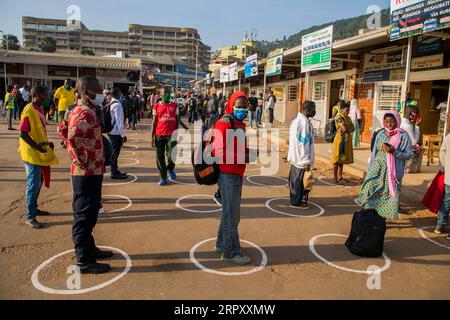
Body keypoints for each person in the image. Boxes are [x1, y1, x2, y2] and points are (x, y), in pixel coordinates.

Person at [66, 76, 112, 275]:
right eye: (97, 90)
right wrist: (83, 159)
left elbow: (62, 127)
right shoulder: (83, 113)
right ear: (85, 92)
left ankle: (90, 248)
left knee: (91, 211)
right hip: (85, 172)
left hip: (93, 170)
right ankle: (84, 260)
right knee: (83, 215)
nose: (101, 93)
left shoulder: (89, 110)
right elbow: (72, 138)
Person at [212, 91, 252, 265]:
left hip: (235, 173)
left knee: (228, 212)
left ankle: (222, 244)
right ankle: (231, 251)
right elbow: (217, 151)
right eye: (239, 106)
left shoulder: (238, 123)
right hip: (228, 174)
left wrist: (248, 153)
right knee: (232, 215)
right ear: (231, 105)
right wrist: (241, 156)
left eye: (245, 107)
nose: (242, 110)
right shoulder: (224, 122)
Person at [358, 111, 413, 221]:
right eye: (387, 122)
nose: (389, 124)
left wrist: (394, 152)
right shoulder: (380, 133)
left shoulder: (403, 135)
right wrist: (370, 169)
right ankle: (372, 217)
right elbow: (375, 152)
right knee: (370, 190)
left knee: (387, 196)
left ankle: (381, 221)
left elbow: (408, 155)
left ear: (397, 121)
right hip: (377, 169)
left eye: (392, 122)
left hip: (392, 173)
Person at [18, 86, 59, 228]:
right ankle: (30, 217)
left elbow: (39, 131)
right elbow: (23, 133)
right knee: (33, 184)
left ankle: (34, 207)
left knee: (39, 180)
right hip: (31, 153)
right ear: (38, 95)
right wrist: (38, 147)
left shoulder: (39, 109)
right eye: (45, 95)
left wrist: (47, 144)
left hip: (39, 151)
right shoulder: (28, 110)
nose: (47, 97)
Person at [151, 91, 188, 186]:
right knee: (159, 157)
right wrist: (152, 137)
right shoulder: (156, 106)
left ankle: (170, 168)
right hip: (159, 135)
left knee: (172, 155)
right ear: (161, 96)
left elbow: (177, 119)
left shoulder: (175, 106)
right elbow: (154, 122)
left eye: (167, 95)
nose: (166, 97)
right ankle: (163, 177)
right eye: (164, 95)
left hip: (171, 134)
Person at [287, 101, 316, 208]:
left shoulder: (296, 121)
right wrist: (306, 161)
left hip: (295, 156)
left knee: (295, 180)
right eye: (313, 109)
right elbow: (304, 143)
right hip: (301, 158)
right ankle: (295, 201)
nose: (315, 111)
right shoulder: (304, 123)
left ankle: (296, 199)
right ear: (307, 110)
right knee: (299, 181)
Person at [331, 102, 355, 184]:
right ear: (341, 109)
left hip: (347, 141)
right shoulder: (339, 117)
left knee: (342, 159)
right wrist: (349, 128)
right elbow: (344, 129)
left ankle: (340, 176)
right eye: (346, 110)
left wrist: (348, 128)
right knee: (336, 159)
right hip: (340, 141)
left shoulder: (348, 118)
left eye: (349, 110)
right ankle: (334, 177)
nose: (348, 112)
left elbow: (353, 128)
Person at [108, 88, 128, 180]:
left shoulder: (111, 103)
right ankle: (113, 171)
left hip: (111, 131)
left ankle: (115, 170)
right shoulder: (117, 105)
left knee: (114, 152)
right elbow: (119, 121)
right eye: (120, 93)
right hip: (116, 132)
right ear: (117, 94)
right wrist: (123, 135)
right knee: (115, 153)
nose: (121, 95)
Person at [436, 133, 450, 237]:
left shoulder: (449, 136)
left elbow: (442, 153)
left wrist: (443, 167)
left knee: (446, 200)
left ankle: (440, 225)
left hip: (449, 176)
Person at [401, 105, 421, 174]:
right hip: (405, 151)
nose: (417, 117)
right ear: (411, 114)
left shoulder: (401, 121)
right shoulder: (408, 126)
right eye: (416, 115)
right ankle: (407, 167)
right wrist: (417, 127)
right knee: (416, 149)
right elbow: (414, 141)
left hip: (400, 149)